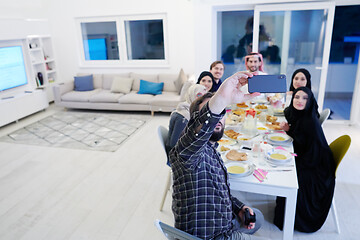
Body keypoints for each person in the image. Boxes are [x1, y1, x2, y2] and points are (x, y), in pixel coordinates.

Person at [169, 71, 269, 240]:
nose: (217, 119)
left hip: (223, 222)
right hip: (212, 236)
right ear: (196, 123)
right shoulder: (186, 152)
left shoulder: (212, 148)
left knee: (256, 217)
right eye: (212, 114)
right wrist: (222, 97)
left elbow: (219, 191)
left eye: (221, 113)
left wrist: (239, 207)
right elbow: (202, 124)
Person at [274, 87, 336, 233]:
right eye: (297, 97)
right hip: (310, 158)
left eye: (304, 98)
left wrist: (293, 161)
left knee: (286, 171)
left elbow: (313, 154)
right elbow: (302, 139)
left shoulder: (311, 122)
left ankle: (290, 218)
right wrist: (290, 130)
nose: (299, 101)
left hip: (318, 169)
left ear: (310, 101)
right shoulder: (301, 116)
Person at [165, 84, 207, 157]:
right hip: (177, 157)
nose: (202, 100)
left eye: (204, 96)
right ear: (191, 95)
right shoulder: (183, 116)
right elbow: (174, 145)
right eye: (199, 95)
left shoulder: (192, 110)